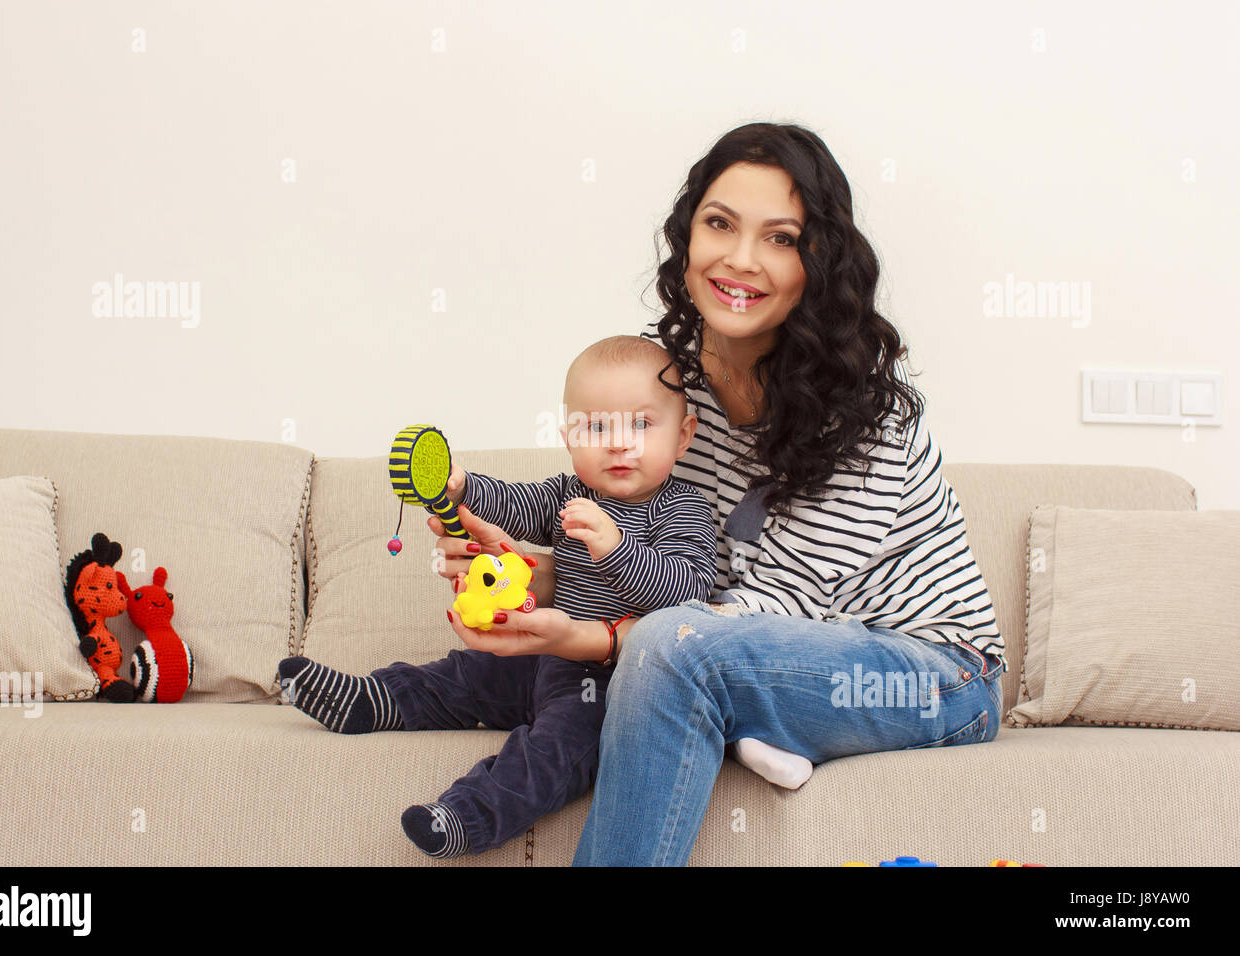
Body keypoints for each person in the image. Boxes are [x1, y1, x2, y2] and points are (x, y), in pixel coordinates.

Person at [433, 121, 1006, 866]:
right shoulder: (666, 390)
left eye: (781, 237)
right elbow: (671, 568)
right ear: (687, 236)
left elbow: (761, 608)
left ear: (818, 262)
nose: (740, 259)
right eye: (720, 224)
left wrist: (596, 635)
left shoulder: (866, 418)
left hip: (932, 672)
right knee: (652, 653)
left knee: (672, 649)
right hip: (745, 649)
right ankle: (761, 732)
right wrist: (528, 579)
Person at [277, 335, 717, 858]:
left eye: (642, 424)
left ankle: (469, 814)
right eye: (597, 426)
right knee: (462, 674)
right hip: (545, 656)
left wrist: (614, 547)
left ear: (684, 435)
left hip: (614, 682)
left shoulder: (683, 510)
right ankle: (372, 700)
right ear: (569, 437)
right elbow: (514, 503)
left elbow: (685, 592)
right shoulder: (567, 494)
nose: (619, 443)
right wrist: (461, 487)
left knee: (554, 748)